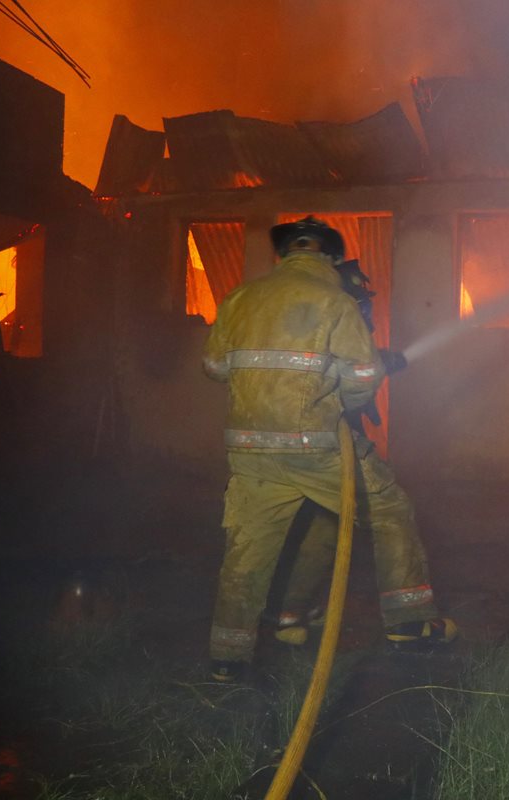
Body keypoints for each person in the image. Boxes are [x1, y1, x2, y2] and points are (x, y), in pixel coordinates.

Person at [203, 216, 456, 682]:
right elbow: (362, 375)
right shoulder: (334, 300)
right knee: (389, 511)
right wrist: (342, 402)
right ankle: (409, 624)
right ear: (332, 258)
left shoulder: (240, 298)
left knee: (247, 552)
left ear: (284, 255)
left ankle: (227, 659)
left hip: (250, 448)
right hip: (316, 444)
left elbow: (216, 367)